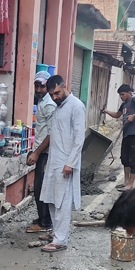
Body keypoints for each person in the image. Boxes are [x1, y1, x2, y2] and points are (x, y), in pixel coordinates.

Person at [30, 75, 85, 252]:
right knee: (51, 198)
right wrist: (49, 161)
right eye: (52, 94)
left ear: (64, 86)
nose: (55, 97)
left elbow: (79, 139)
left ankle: (61, 240)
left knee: (62, 200)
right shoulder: (59, 107)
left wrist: (71, 163)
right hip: (54, 160)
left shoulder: (76, 106)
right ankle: (55, 232)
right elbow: (54, 135)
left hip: (66, 162)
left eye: (57, 93)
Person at [102, 84, 135, 191]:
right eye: (120, 95)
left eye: (123, 94)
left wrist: (134, 116)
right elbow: (117, 115)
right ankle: (126, 181)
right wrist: (106, 111)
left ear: (129, 92)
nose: (121, 97)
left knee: (133, 160)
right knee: (125, 159)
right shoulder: (124, 104)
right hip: (126, 135)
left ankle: (131, 184)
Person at [26, 71, 55, 233]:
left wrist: (36, 153)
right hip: (42, 150)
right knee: (40, 187)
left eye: (42, 86)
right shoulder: (43, 102)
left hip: (46, 152)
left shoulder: (49, 104)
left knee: (41, 188)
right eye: (36, 85)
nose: (38, 89)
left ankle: (45, 223)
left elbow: (51, 133)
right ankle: (43, 219)